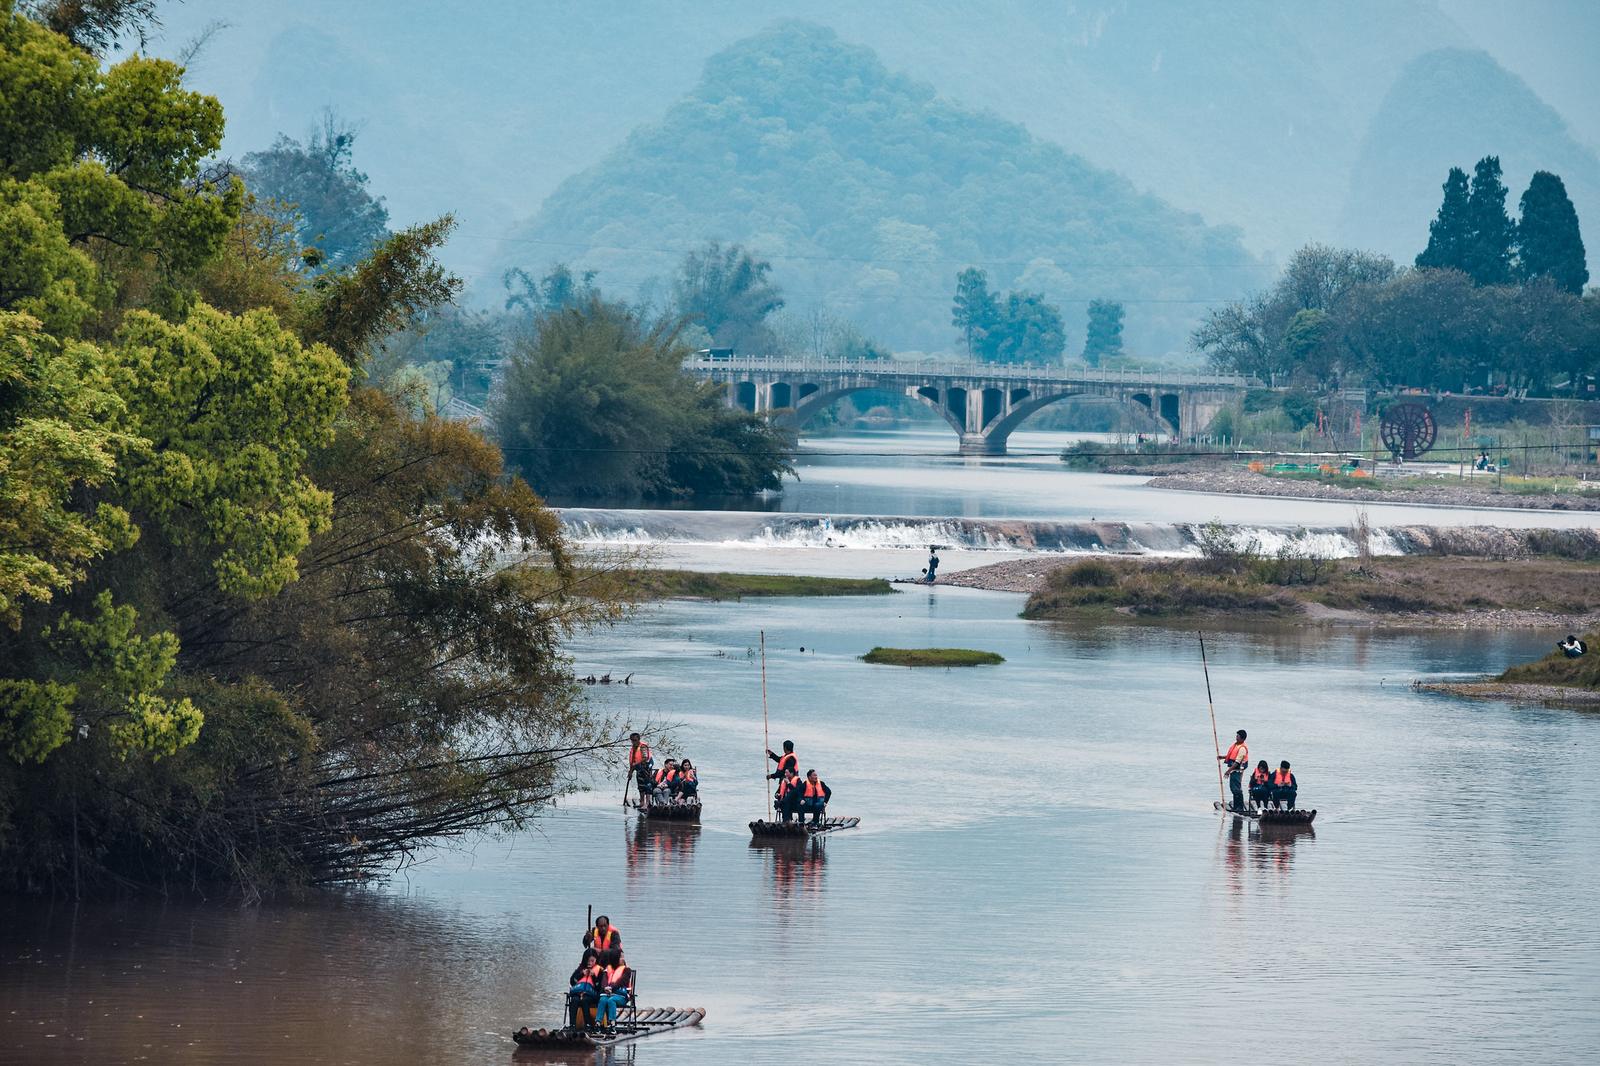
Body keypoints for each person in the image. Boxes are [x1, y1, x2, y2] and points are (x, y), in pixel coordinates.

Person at [595, 949, 633, 1033]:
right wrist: (605, 988)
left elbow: (621, 981)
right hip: (608, 994)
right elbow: (604, 982)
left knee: (611, 1000)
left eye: (623, 957)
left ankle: (612, 1024)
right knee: (602, 1000)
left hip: (621, 997)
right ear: (615, 958)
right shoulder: (607, 970)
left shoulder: (627, 970)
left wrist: (612, 988)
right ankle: (598, 1023)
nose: (623, 959)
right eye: (621, 957)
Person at [568, 949, 602, 1029]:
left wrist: (593, 976)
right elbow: (572, 981)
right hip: (578, 993)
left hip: (591, 995)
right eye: (588, 961)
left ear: (596, 960)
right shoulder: (581, 968)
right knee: (574, 1000)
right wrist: (581, 974)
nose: (590, 963)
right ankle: (572, 1025)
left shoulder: (599, 970)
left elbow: (599, 987)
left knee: (585, 1000)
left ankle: (588, 1024)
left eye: (592, 961)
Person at [1218, 729, 1249, 812]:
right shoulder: (1236, 745)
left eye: (1238, 736)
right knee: (1233, 788)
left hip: (1237, 770)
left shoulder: (1242, 748)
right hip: (1234, 770)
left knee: (1236, 789)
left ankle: (1239, 807)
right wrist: (1222, 757)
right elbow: (1232, 756)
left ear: (1242, 738)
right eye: (1236, 736)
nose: (1236, 737)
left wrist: (1228, 771)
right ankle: (1236, 806)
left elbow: (1237, 762)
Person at [629, 733, 654, 809]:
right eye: (632, 740)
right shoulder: (633, 748)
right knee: (640, 786)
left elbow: (645, 758)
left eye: (635, 740)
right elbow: (633, 760)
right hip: (638, 768)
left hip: (646, 768)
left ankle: (647, 803)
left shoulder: (643, 747)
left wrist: (635, 765)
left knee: (647, 785)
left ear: (638, 740)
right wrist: (631, 771)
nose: (634, 742)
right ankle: (642, 802)